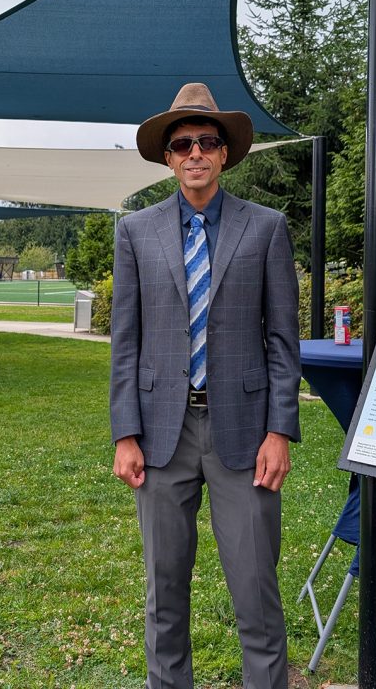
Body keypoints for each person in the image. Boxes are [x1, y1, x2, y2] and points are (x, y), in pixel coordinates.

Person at [110, 82, 301, 689]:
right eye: (183, 143)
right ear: (168, 157)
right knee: (164, 595)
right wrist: (125, 434)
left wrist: (280, 430)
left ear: (225, 153)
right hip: (162, 435)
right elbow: (126, 342)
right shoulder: (136, 233)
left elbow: (282, 341)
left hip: (243, 437)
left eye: (207, 142)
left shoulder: (266, 228)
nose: (195, 152)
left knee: (256, 594)